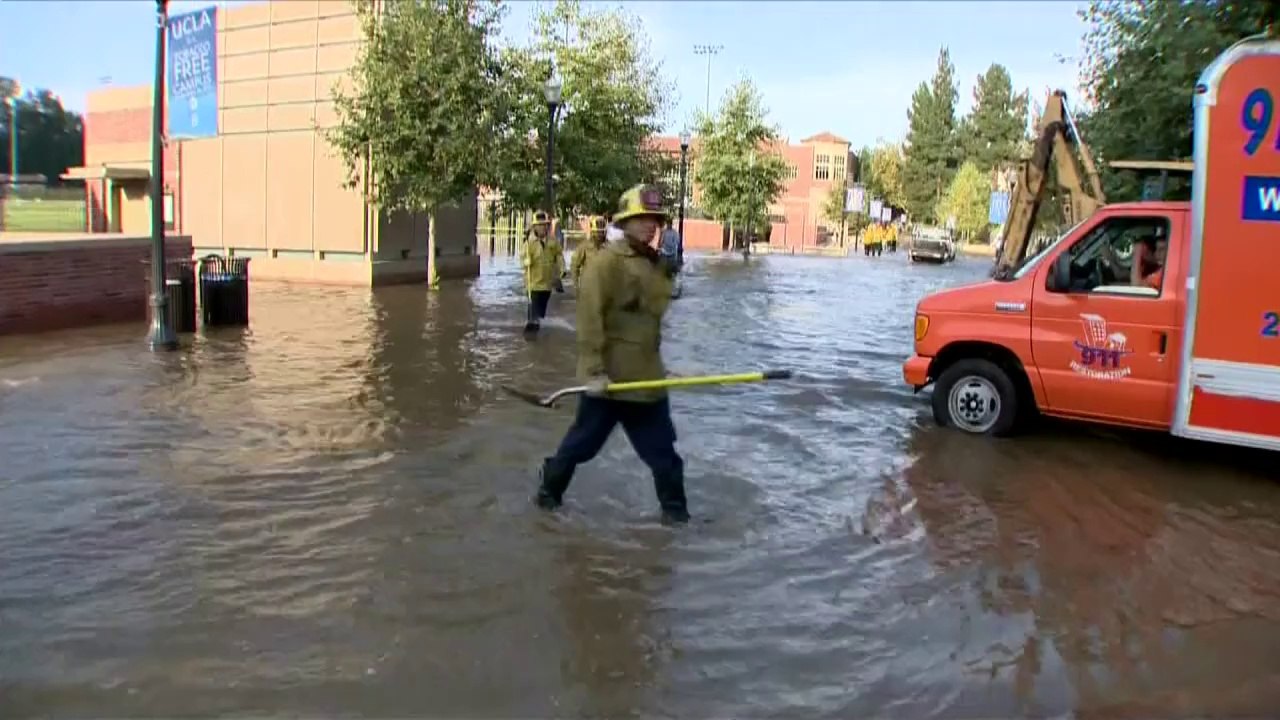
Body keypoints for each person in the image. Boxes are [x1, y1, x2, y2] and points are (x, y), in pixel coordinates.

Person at [534, 184, 689, 524]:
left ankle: (677, 523)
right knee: (581, 448)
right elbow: (589, 319)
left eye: (655, 219)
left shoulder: (654, 266)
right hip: (609, 383)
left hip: (647, 385)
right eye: (642, 218)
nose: (650, 224)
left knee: (665, 458)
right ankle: (547, 495)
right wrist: (592, 372)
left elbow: (650, 324)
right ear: (626, 221)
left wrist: (660, 369)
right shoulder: (606, 264)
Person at [521, 210, 564, 333]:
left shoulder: (552, 241)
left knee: (541, 313)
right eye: (540, 225)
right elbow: (522, 258)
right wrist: (526, 261)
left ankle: (536, 324)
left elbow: (559, 255)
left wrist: (562, 268)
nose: (543, 227)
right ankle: (531, 331)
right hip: (533, 284)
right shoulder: (529, 243)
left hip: (546, 285)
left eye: (545, 225)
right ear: (534, 226)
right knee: (533, 313)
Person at [571, 216, 607, 288]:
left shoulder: (609, 246)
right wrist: (576, 284)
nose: (600, 234)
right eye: (598, 231)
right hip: (588, 287)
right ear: (593, 231)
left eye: (602, 231)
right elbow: (574, 265)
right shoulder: (584, 246)